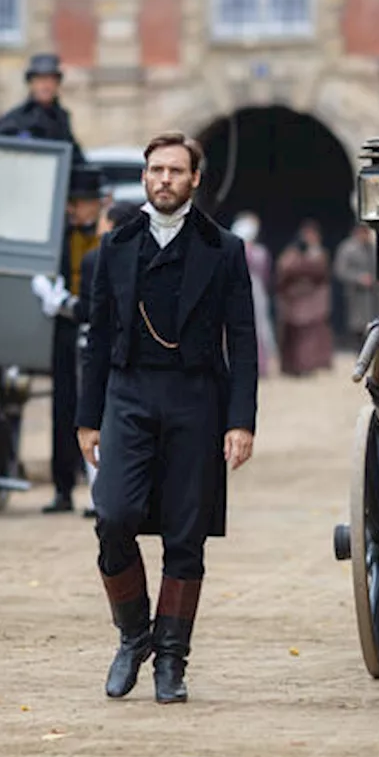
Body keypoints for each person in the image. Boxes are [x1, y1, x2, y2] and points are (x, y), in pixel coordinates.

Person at [76, 131, 258, 704]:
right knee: (113, 515)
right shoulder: (116, 246)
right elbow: (98, 336)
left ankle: (172, 661)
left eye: (176, 171)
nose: (164, 180)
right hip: (128, 396)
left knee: (186, 535)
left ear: (195, 179)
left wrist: (241, 420)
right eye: (155, 170)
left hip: (197, 399)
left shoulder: (224, 249)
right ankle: (134, 636)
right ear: (144, 177)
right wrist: (88, 418)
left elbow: (245, 340)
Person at [34, 200, 144, 519]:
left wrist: (60, 301)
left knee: (93, 419)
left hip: (95, 344)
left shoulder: (99, 257)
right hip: (129, 349)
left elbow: (90, 310)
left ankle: (98, 495)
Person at [37, 165, 110, 514]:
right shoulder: (62, 238)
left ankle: (100, 486)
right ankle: (62, 487)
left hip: (95, 324)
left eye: (82, 203)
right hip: (66, 332)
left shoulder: (107, 238)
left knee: (98, 410)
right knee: (63, 407)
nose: (75, 209)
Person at [0, 53, 86, 166]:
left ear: (57, 84)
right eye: (40, 80)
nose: (45, 86)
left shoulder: (61, 117)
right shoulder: (15, 118)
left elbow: (74, 156)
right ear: (31, 84)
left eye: (50, 80)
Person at [276, 220, 335, 376]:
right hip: (293, 300)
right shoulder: (291, 253)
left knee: (311, 335)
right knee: (293, 335)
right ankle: (291, 367)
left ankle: (309, 365)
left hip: (312, 300)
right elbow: (283, 273)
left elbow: (322, 273)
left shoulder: (319, 254)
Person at [231, 211, 279, 378]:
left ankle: (258, 364)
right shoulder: (251, 252)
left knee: (258, 327)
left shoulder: (257, 252)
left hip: (254, 291)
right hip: (243, 291)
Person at [333, 224, 379, 347]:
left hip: (373, 295)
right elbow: (340, 270)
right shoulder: (347, 249)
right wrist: (359, 278)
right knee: (357, 326)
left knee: (372, 324)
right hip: (355, 294)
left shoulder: (372, 248)